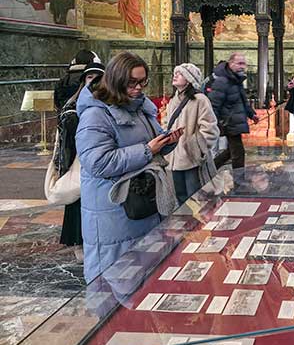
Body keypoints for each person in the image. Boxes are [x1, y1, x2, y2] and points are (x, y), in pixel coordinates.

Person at [75, 51, 183, 284]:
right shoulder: (95, 115)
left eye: (143, 82)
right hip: (114, 212)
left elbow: (148, 145)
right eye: (132, 83)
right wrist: (147, 150)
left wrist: (165, 142)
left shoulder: (139, 108)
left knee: (142, 280)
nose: (138, 88)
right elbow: (98, 163)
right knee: (116, 283)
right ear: (116, 80)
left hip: (142, 204)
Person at [55, 61, 105, 260]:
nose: (93, 81)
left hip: (100, 161)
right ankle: (78, 242)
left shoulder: (110, 103)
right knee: (78, 201)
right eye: (90, 77)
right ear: (84, 80)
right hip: (79, 161)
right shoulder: (73, 106)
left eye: (98, 78)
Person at [167, 63, 219, 204]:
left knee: (196, 197)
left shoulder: (200, 99)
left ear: (189, 79)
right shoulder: (173, 101)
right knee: (180, 198)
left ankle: (200, 218)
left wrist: (196, 148)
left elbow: (210, 129)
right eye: (175, 72)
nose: (175, 75)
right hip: (173, 159)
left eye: (180, 73)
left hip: (192, 159)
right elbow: (167, 124)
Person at [209, 53, 258, 169]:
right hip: (229, 122)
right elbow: (213, 105)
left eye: (244, 64)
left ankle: (210, 170)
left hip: (233, 121)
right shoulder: (223, 81)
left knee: (231, 152)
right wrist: (214, 124)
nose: (242, 67)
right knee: (238, 154)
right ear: (231, 64)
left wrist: (252, 114)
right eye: (239, 63)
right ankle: (239, 178)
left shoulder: (236, 80)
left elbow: (242, 100)